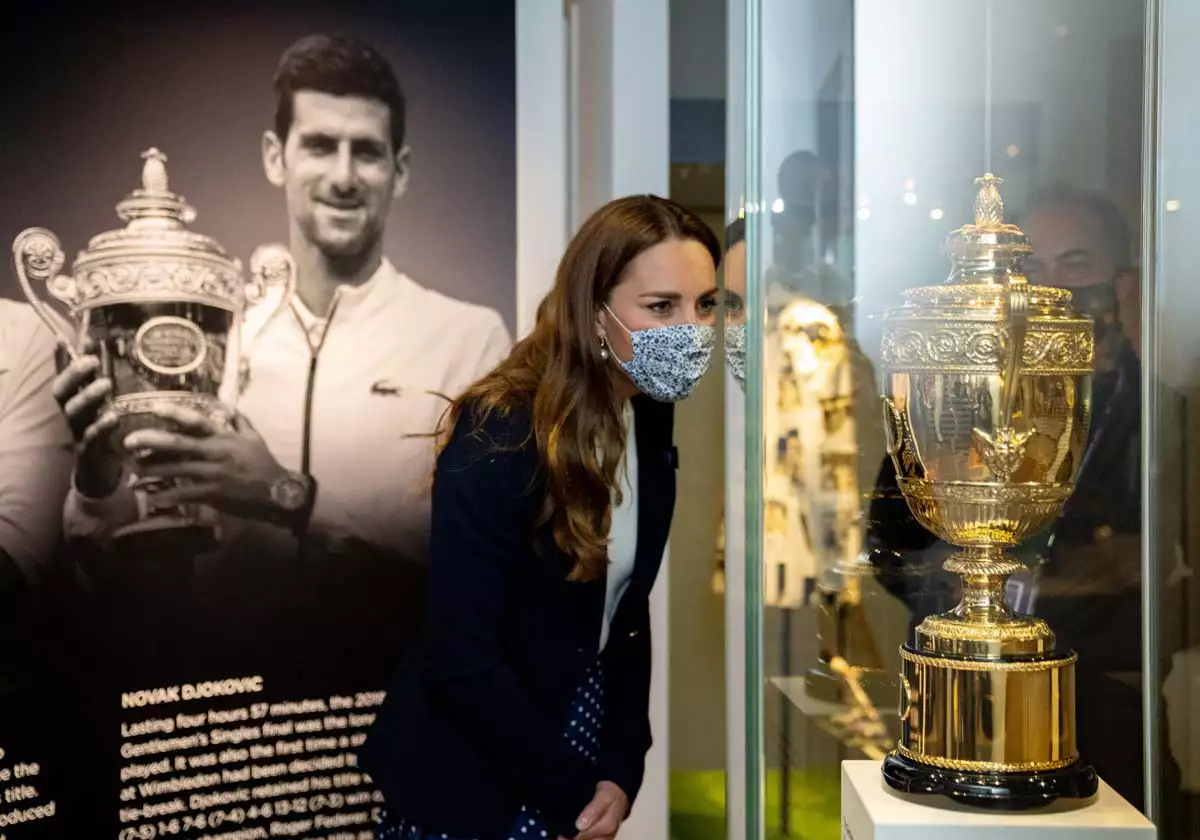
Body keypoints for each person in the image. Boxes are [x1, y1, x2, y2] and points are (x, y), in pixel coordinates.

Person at [52, 33, 511, 675]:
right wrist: (97, 486)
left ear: (400, 171)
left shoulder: (469, 340)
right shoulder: (222, 335)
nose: (344, 177)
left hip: (399, 734)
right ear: (277, 157)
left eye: (368, 153)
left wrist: (284, 493)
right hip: (244, 741)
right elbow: (121, 575)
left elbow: (493, 553)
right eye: (320, 146)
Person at [362, 195, 721, 840]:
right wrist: (570, 793)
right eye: (661, 306)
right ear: (594, 309)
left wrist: (620, 765)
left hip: (572, 742)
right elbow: (461, 655)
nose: (691, 330)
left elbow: (625, 608)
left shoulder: (647, 410)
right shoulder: (502, 427)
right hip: (470, 775)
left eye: (706, 305)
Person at [866, 184, 1178, 811]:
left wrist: (1106, 583)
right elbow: (891, 535)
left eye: (1077, 263)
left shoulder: (1164, 416)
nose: (1050, 281)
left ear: (1122, 283)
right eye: (1034, 266)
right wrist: (958, 596)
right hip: (954, 693)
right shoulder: (950, 401)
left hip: (1111, 707)